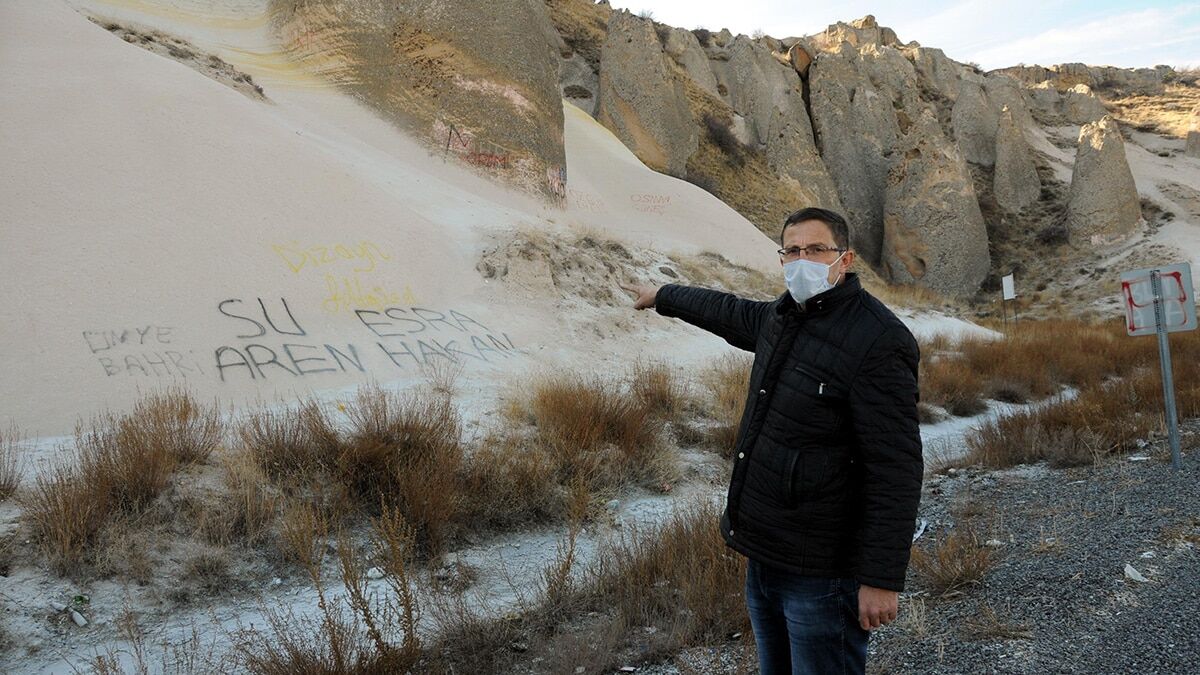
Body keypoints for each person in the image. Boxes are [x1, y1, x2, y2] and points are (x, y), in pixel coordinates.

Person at [620, 207, 923, 675]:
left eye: (816, 249)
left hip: (823, 571)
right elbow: (728, 311)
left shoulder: (878, 340)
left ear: (845, 259)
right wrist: (664, 295)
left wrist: (881, 579)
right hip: (765, 557)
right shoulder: (784, 317)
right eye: (792, 250)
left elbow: (895, 469)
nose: (802, 260)